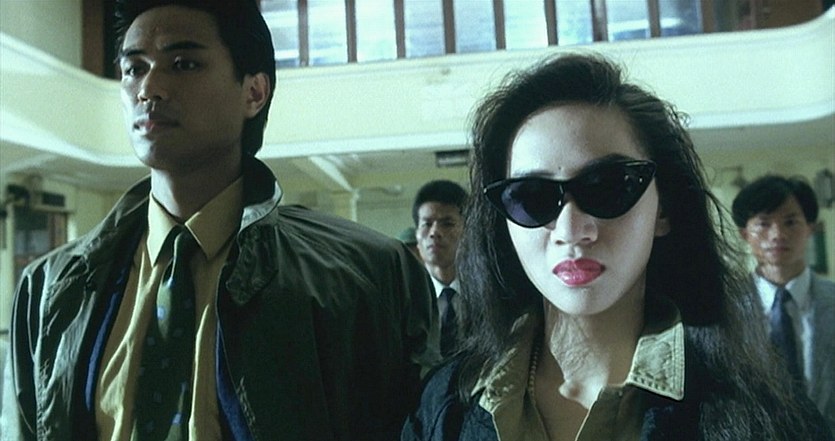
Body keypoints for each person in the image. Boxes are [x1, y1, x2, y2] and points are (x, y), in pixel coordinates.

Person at [2, 0, 439, 439]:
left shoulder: (364, 276)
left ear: (254, 92)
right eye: (134, 68)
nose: (149, 89)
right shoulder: (50, 288)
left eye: (184, 64)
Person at [401, 53, 832, 440]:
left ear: (664, 209)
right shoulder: (445, 406)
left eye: (607, 186)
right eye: (532, 197)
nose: (571, 229)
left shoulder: (765, 416)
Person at [732, 174, 835, 433]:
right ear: (745, 234)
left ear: (810, 228)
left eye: (790, 222)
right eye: (763, 224)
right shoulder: (724, 309)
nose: (778, 234)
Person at [412, 180, 467, 357]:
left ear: (468, 233)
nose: (434, 232)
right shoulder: (406, 298)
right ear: (417, 236)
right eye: (427, 224)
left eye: (447, 223)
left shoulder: (488, 294)